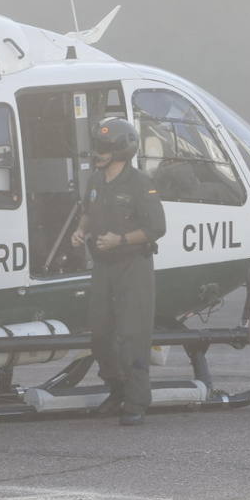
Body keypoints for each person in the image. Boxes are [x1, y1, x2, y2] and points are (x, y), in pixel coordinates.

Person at [71, 117, 167, 426]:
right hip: (103, 267)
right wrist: (80, 230)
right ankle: (117, 389)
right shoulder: (96, 181)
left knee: (132, 336)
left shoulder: (140, 184)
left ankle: (136, 402)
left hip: (132, 267)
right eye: (97, 147)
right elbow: (88, 212)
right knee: (100, 335)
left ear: (121, 151)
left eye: (104, 149)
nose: (97, 154)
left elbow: (156, 228)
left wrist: (121, 240)